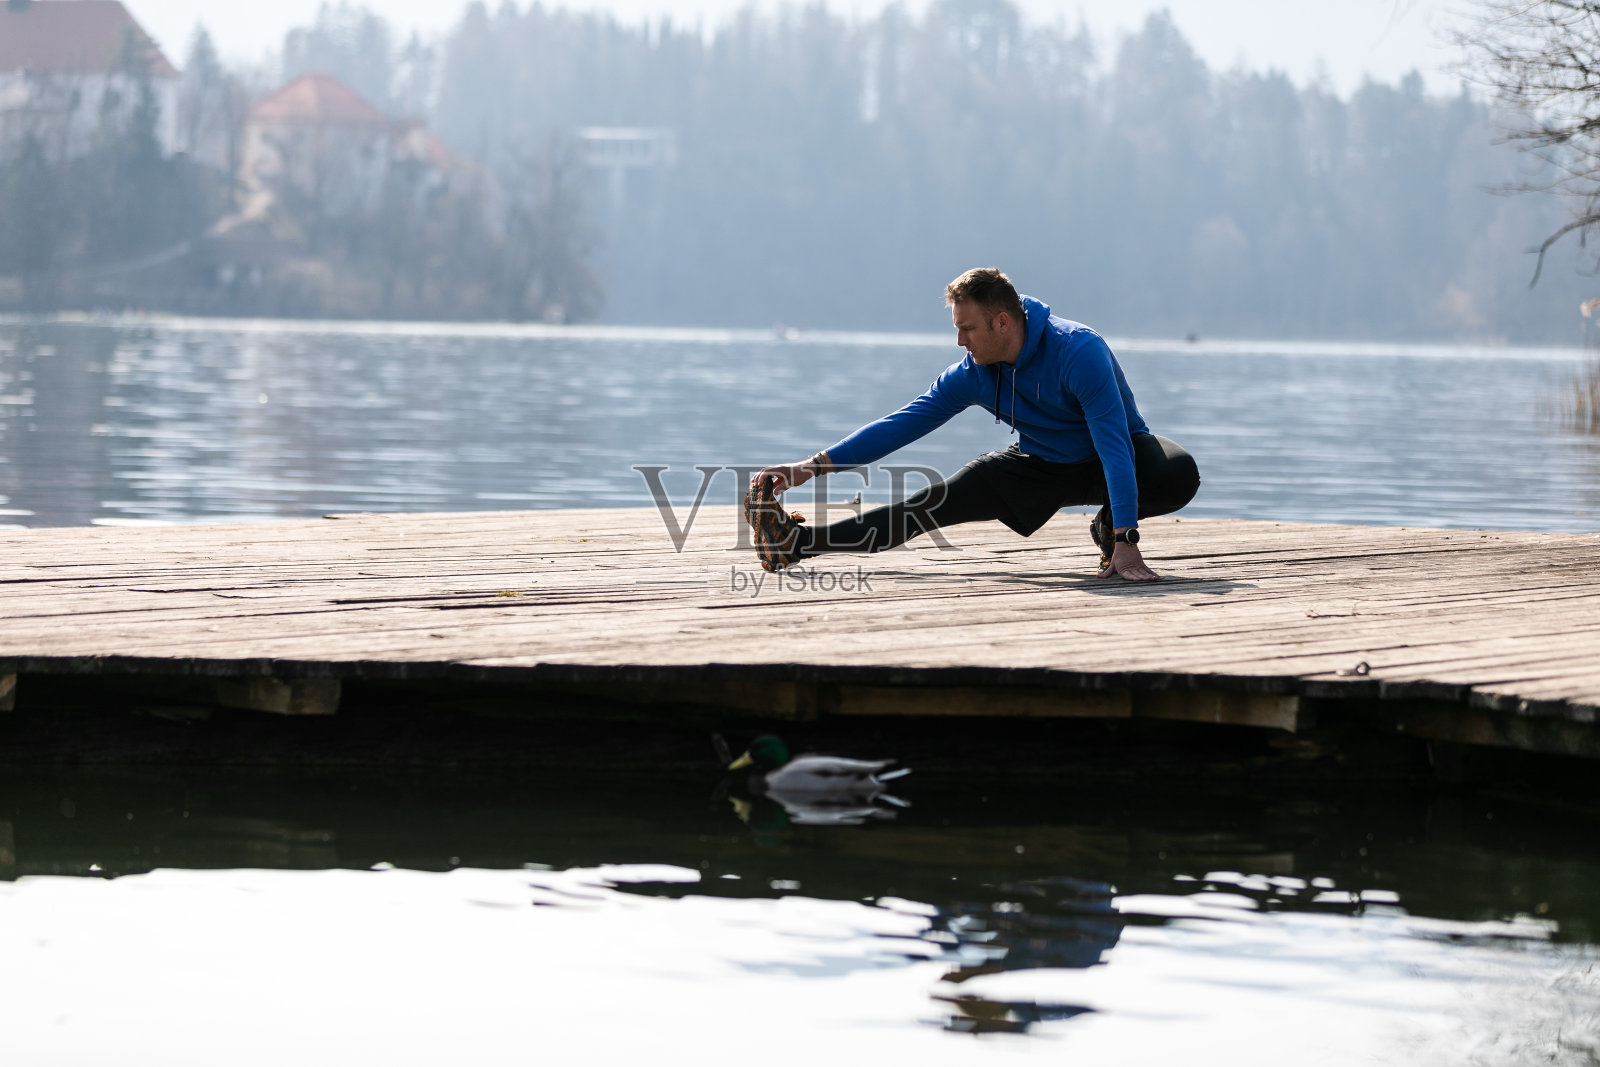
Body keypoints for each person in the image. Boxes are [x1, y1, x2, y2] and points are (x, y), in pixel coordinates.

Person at [746, 268, 1199, 581]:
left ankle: (1107, 525)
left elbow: (1116, 448)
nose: (960, 341)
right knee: (927, 505)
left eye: (968, 329)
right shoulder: (972, 373)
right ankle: (794, 544)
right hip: (1039, 464)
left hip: (1109, 455)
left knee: (1177, 471)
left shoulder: (1078, 352)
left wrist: (1125, 538)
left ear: (1002, 322)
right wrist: (810, 467)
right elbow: (901, 425)